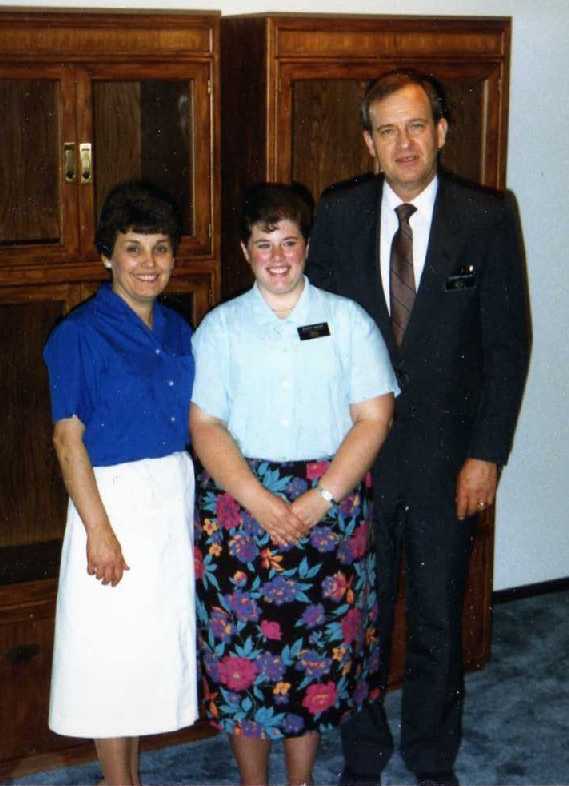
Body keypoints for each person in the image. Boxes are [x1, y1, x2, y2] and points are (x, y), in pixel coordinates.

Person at [307, 69, 530, 786]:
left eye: (415, 126)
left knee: (436, 618)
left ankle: (433, 760)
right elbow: (317, 340)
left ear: (441, 131)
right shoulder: (336, 215)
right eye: (386, 130)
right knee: (359, 618)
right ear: (367, 142)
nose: (403, 143)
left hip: (445, 462)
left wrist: (485, 456)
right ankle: (363, 755)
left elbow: (506, 345)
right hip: (357, 458)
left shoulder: (486, 215)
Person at [190, 182, 399, 786]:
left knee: (308, 667)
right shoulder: (221, 328)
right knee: (244, 663)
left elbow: (375, 416)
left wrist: (320, 498)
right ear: (244, 250)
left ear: (307, 246)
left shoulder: (347, 320)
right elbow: (205, 423)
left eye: (289, 242)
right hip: (238, 509)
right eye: (264, 244)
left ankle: (300, 782)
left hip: (328, 504)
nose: (277, 257)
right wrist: (257, 498)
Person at [44, 181, 197, 786]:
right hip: (110, 501)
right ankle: (119, 782)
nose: (149, 264)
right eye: (134, 249)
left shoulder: (179, 330)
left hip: (169, 497)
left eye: (161, 249)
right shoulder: (78, 334)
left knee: (144, 650)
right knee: (110, 654)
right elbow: (67, 440)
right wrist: (99, 533)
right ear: (107, 254)